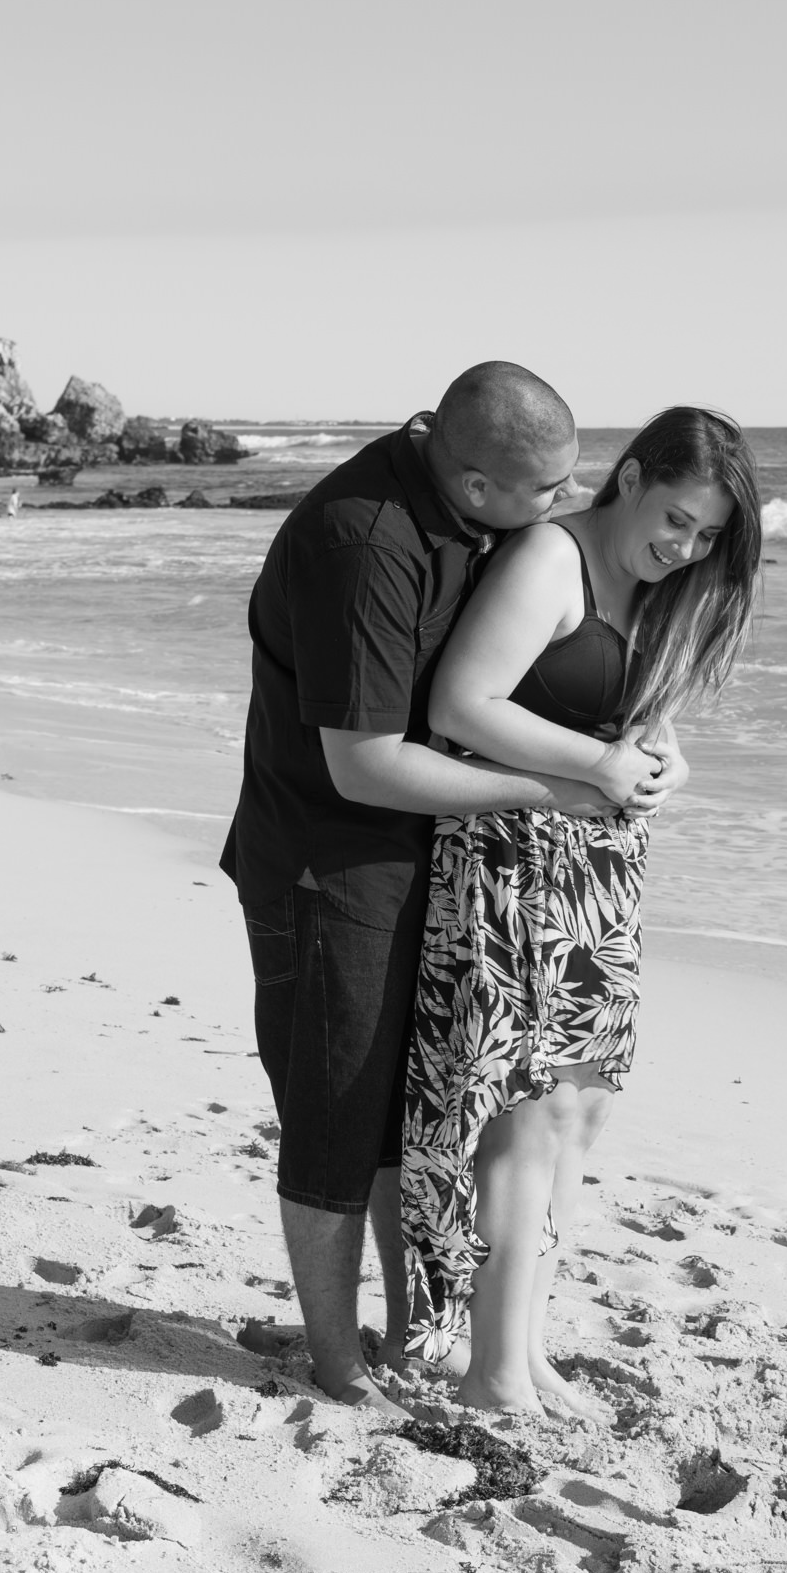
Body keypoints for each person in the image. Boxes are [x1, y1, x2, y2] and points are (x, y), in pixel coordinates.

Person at [220, 362, 689, 1412]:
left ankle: (402, 1335)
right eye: (544, 492)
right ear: (474, 486)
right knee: (339, 1109)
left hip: (421, 847)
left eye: (574, 483)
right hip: (326, 859)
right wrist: (556, 789)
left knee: (400, 1112)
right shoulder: (368, 543)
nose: (563, 509)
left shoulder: (463, 515)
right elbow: (364, 763)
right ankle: (338, 1363)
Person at [402, 407, 762, 1415]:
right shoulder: (549, 560)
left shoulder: (653, 588)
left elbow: (635, 711)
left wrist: (661, 755)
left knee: (582, 1109)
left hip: (599, 870)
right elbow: (462, 706)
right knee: (524, 1108)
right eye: (678, 519)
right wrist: (596, 762)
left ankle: (526, 1348)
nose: (684, 546)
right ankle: (491, 1372)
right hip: (511, 856)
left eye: (704, 536)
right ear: (632, 475)